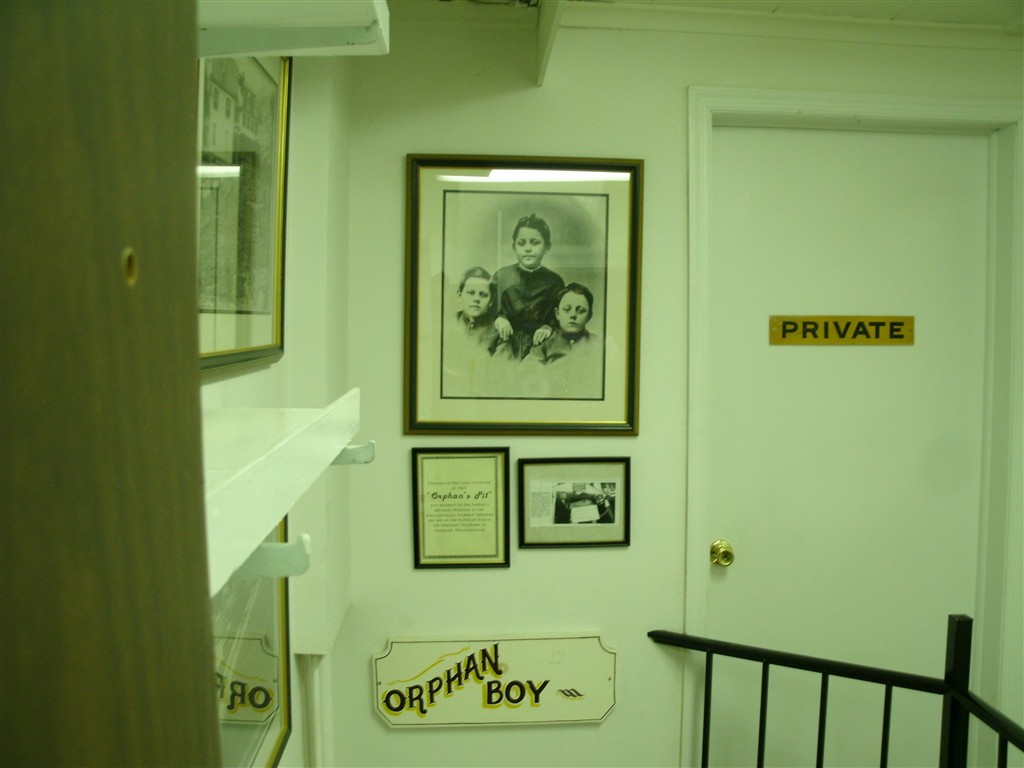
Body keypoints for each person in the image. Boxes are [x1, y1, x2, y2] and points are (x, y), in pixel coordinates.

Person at [490, 214, 565, 361]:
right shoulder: (502, 276)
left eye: (535, 243)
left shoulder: (554, 281)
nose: (528, 248)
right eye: (521, 243)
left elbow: (560, 316)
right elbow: (489, 310)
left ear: (547, 247)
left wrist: (548, 327)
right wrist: (500, 318)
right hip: (506, 341)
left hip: (541, 344)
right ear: (514, 247)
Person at [524, 282, 603, 398]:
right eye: (567, 309)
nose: (573, 315)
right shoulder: (546, 343)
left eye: (580, 310)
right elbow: (527, 373)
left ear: (589, 316)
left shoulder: (600, 345)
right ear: (557, 314)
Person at [442, 266, 498, 396]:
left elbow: (498, 378)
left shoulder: (498, 333)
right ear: (459, 295)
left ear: (491, 301)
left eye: (483, 295)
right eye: (471, 293)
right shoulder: (445, 326)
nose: (476, 299)